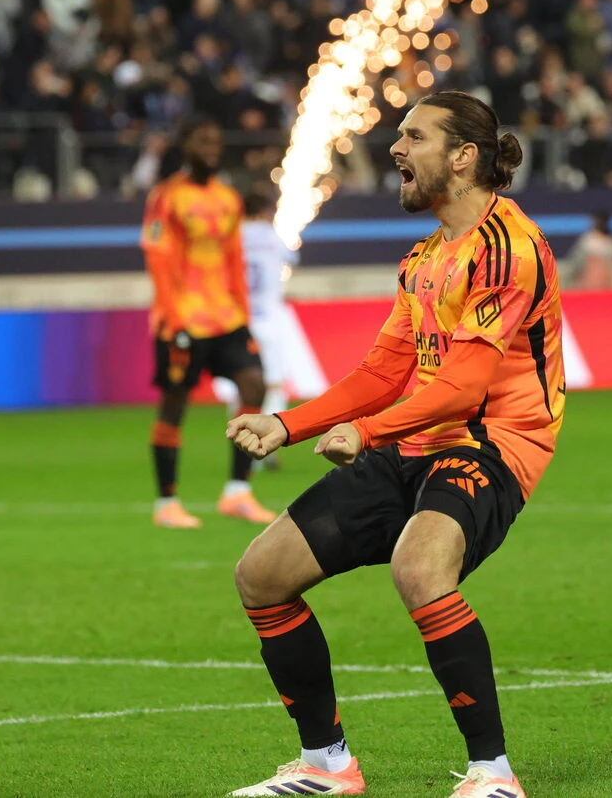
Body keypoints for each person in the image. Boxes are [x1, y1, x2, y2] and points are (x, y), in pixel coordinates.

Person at [223, 91, 564, 798]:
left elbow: (466, 388)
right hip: (416, 439)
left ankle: (493, 778)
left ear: (464, 157)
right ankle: (327, 766)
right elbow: (384, 370)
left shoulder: (506, 246)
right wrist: (289, 424)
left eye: (414, 137)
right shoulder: (424, 258)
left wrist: (370, 432)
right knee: (261, 575)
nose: (397, 150)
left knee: (418, 568)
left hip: (490, 445)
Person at [140, 116, 276, 529]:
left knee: (254, 383)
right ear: (186, 146)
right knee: (175, 403)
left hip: (226, 316)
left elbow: (234, 259)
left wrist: (244, 314)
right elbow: (157, 257)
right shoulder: (166, 197)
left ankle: (237, 492)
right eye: (203, 141)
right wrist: (172, 315)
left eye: (216, 142)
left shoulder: (228, 198)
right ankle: (167, 502)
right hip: (183, 318)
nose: (212, 149)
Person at [213, 183, 299, 469]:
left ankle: (240, 441)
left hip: (238, 321)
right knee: (272, 384)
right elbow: (292, 258)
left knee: (242, 385)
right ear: (265, 211)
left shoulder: (232, 236)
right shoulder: (272, 237)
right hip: (270, 321)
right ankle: (268, 445)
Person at [565, 211, 612, 290]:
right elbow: (575, 263)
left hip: (606, 287)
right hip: (587, 286)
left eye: (603, 221)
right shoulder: (587, 241)